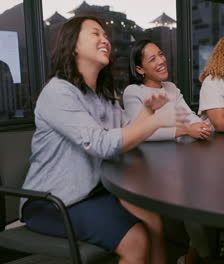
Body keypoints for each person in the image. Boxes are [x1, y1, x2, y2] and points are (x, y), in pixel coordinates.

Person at [20, 16, 180, 264]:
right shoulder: (58, 92)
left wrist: (149, 113)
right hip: (53, 201)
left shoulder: (103, 97)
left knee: (154, 220)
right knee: (136, 240)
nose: (105, 39)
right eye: (95, 34)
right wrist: (156, 121)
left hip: (95, 190)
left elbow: (128, 134)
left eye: (105, 35)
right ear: (73, 45)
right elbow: (101, 145)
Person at [124, 40, 212, 142]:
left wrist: (202, 126)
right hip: (147, 155)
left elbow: (187, 116)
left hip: (176, 152)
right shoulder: (133, 91)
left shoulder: (171, 87)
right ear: (140, 69)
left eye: (161, 54)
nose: (161, 61)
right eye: (152, 59)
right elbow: (138, 131)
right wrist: (186, 130)